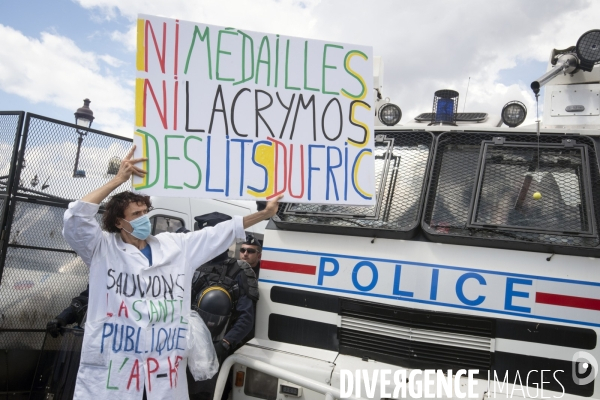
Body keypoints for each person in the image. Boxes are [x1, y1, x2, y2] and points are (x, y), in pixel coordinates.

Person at [62, 146, 282, 400]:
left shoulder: (175, 246)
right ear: (118, 223)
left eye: (146, 212)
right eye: (136, 215)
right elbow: (76, 218)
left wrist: (264, 214)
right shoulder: (101, 248)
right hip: (116, 367)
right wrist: (117, 180)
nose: (144, 218)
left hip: (162, 368)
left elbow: (219, 233)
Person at [187, 213, 258, 400]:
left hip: (215, 350)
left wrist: (225, 344)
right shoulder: (189, 264)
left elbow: (246, 317)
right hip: (183, 345)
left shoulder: (238, 270)